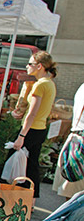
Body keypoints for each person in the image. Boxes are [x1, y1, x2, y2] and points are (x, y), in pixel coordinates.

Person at [10, 51, 58, 201]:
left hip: (32, 128)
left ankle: (13, 197)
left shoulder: (40, 85)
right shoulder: (49, 84)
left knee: (14, 160)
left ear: (39, 66)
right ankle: (30, 200)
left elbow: (32, 112)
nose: (27, 66)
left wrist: (21, 136)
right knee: (31, 164)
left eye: (30, 64)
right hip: (40, 128)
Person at [53, 82, 84, 197]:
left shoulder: (82, 87)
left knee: (72, 196)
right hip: (80, 144)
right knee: (76, 196)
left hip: (76, 141)